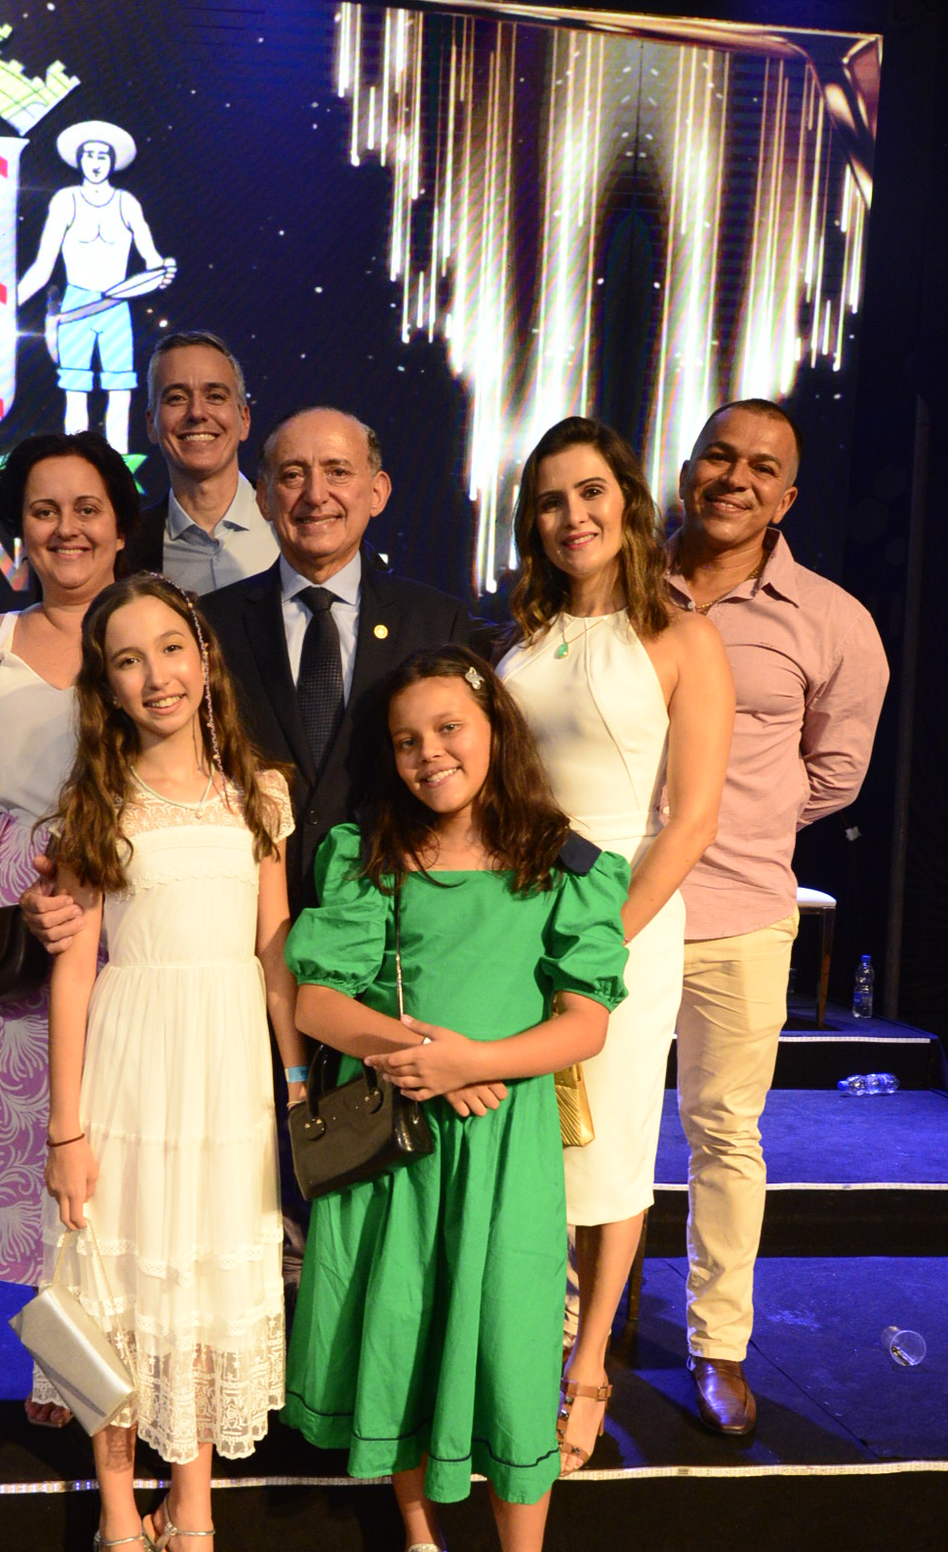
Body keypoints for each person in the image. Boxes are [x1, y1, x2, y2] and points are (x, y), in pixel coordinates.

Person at [283, 648, 628, 1552]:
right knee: (408, 1329)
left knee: (511, 1344)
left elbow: (585, 1019)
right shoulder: (367, 851)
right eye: (405, 740)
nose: (428, 754)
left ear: (492, 730)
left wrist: (477, 1061)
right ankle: (421, 1550)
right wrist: (421, 1057)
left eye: (447, 729)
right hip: (401, 1149)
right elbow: (315, 1001)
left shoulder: (559, 859)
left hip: (504, 1149)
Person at [44, 574, 307, 1552]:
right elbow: (72, 975)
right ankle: (118, 1521)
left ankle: (190, 1515)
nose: (155, 675)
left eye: (169, 648)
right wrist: (65, 1130)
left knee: (202, 1296)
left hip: (230, 1083)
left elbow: (274, 946)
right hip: (129, 1073)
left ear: (204, 657)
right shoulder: (95, 804)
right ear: (106, 686)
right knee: (116, 1302)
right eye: (126, 660)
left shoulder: (261, 795)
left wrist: (297, 1079)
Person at [498, 417, 734, 1472]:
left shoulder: (683, 639)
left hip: (621, 924)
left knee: (607, 1151)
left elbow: (691, 821)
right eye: (550, 500)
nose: (572, 516)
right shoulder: (519, 640)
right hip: (512, 917)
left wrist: (599, 942)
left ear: (627, 503)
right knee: (525, 1144)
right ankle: (524, 1343)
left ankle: (588, 1364)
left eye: (589, 492)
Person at [665, 399, 889, 1433]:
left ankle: (717, 1345)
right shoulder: (618, 584)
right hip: (608, 912)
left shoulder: (830, 620)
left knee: (724, 1133)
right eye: (719, 455)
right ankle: (573, 1325)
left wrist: (734, 824)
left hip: (741, 911)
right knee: (587, 1133)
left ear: (786, 497)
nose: (735, 477)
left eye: (762, 467)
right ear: (688, 470)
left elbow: (835, 772)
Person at [0, 431, 140, 1426]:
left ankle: (118, 1345)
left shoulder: (153, 628)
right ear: (21, 528)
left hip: (126, 894)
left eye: (86, 508)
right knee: (27, 1133)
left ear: (120, 525)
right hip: (9, 905)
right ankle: (62, 1356)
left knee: (116, 1122)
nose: (66, 528)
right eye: (44, 511)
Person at [201, 407, 484, 914]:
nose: (315, 495)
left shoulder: (436, 621)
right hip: (242, 916)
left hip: (394, 915)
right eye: (293, 475)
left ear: (377, 492)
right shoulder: (211, 626)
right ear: (263, 497)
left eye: (337, 472)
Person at [17, 120, 175, 450]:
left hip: (116, 308)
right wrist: (9, 304)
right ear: (79, 160)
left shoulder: (127, 202)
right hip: (76, 305)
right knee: (75, 390)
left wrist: (161, 271)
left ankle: (119, 459)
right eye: (89, 154)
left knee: (120, 388)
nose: (96, 162)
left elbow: (151, 257)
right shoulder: (65, 200)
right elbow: (43, 266)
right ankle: (74, 455)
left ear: (112, 162)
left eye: (102, 155)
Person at [121, 330, 279, 590]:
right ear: (151, 424)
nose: (196, 412)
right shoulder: (124, 550)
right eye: (176, 398)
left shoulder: (291, 520)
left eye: (215, 396)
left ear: (244, 420)